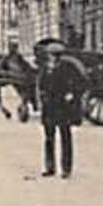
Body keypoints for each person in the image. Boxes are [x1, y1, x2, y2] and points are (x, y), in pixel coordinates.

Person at [35, 39, 82, 178]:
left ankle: (66, 169)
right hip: (49, 107)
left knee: (65, 137)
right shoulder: (45, 69)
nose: (54, 57)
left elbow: (78, 84)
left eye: (57, 55)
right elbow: (40, 85)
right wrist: (41, 99)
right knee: (49, 138)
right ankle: (50, 167)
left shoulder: (67, 69)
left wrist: (71, 94)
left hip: (62, 107)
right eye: (52, 54)